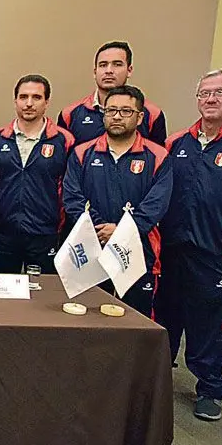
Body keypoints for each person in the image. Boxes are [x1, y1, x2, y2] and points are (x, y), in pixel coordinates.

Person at [157, 69, 222, 422]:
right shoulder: (177, 143)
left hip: (214, 254)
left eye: (219, 93)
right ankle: (158, 374)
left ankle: (209, 389)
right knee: (164, 316)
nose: (210, 99)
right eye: (204, 93)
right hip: (172, 247)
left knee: (210, 323)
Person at [63, 85, 172, 318]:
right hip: (90, 248)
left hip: (137, 253)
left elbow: (156, 204)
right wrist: (101, 228)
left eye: (125, 111)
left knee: (135, 323)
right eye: (111, 110)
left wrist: (121, 231)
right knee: (86, 320)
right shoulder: (83, 153)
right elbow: (72, 198)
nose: (117, 117)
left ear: (140, 117)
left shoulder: (157, 156)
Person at [0, 75, 74, 273]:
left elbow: (70, 187)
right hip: (3, 232)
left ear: (46, 102)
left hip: (45, 233)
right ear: (15, 100)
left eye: (36, 97)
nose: (28, 103)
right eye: (23, 97)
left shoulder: (64, 140)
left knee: (43, 296)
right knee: (3, 293)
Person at [58, 41, 166, 145]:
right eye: (103, 65)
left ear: (129, 70)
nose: (109, 70)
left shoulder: (152, 114)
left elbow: (158, 157)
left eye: (117, 64)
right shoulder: (70, 115)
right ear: (95, 72)